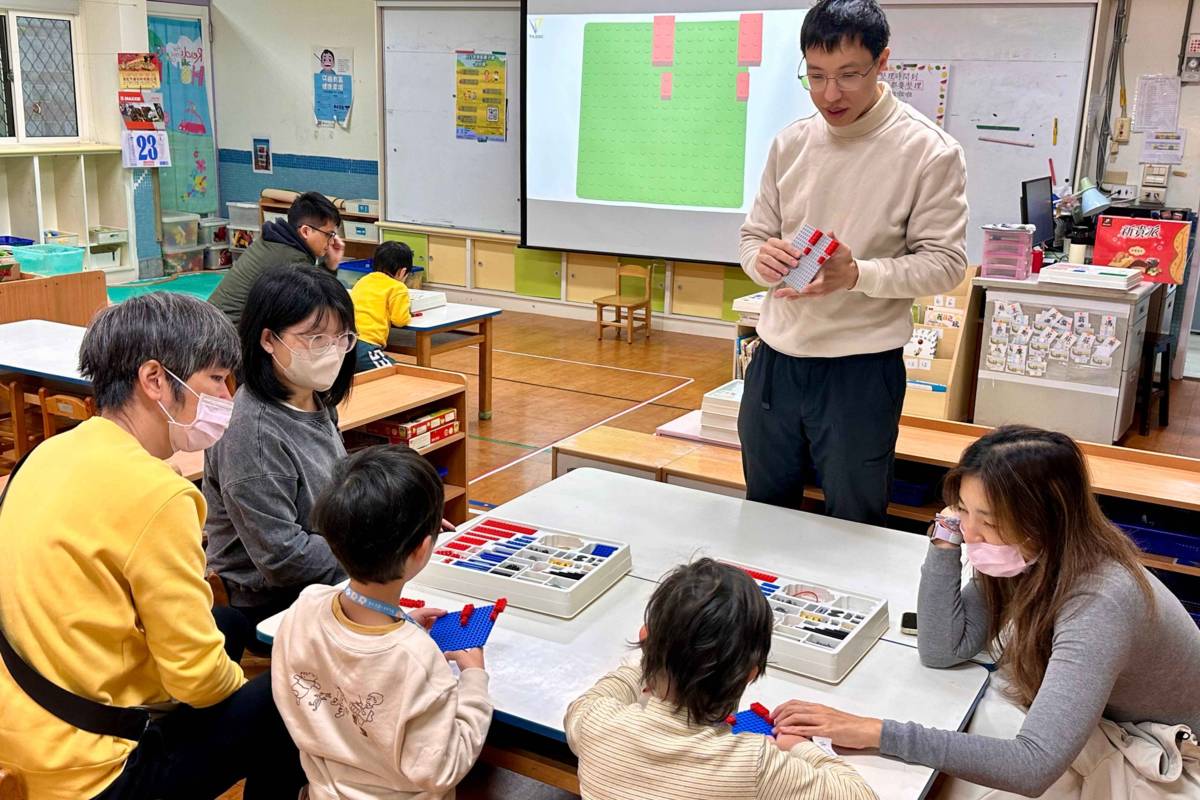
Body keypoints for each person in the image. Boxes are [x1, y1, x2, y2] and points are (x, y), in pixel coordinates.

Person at [770, 426, 1200, 798]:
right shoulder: (1028, 552)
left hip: (1172, 754)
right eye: (962, 509)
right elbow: (943, 648)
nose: (970, 533)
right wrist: (945, 539)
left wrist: (875, 731)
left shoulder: (1099, 600)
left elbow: (1031, 766)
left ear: (1044, 518)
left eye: (988, 521)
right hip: (1110, 724)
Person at [0, 294, 304, 799]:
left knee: (228, 624)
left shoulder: (46, 454)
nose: (226, 396)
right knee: (287, 700)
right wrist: (243, 704)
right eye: (215, 379)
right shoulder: (160, 496)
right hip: (91, 775)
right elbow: (196, 678)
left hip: (22, 721)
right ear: (155, 379)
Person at [737, 0, 968, 525]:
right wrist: (762, 259)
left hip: (859, 370)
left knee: (854, 523)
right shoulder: (791, 143)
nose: (830, 94)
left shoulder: (929, 151)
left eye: (848, 75)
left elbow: (946, 264)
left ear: (882, 62)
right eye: (815, 76)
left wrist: (857, 274)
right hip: (774, 362)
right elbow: (753, 238)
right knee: (764, 515)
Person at [272, 445, 492, 798]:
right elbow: (443, 767)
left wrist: (399, 621)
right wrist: (474, 679)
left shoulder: (305, 607)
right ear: (422, 549)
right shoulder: (415, 657)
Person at [564, 558, 875, 800]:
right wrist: (798, 747)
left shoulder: (593, 720)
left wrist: (649, 657)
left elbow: (601, 695)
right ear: (750, 674)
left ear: (646, 641)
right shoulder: (753, 764)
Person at [204, 265, 357, 655]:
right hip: (273, 605)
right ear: (268, 339)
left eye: (342, 338)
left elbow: (336, 487)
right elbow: (285, 558)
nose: (332, 351)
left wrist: (396, 515)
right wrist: (376, 546)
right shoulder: (251, 433)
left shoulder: (312, 396)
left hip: (330, 576)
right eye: (315, 338)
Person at [209, 191, 346, 327]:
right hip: (229, 334)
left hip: (211, 325)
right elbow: (314, 305)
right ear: (305, 231)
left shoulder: (275, 241)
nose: (332, 241)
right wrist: (330, 267)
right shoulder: (294, 260)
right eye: (329, 234)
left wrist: (330, 264)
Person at [350, 240, 413, 372]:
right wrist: (408, 313)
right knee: (397, 373)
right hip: (365, 345)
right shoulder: (397, 287)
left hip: (345, 341)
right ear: (402, 272)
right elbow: (400, 320)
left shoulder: (362, 280)